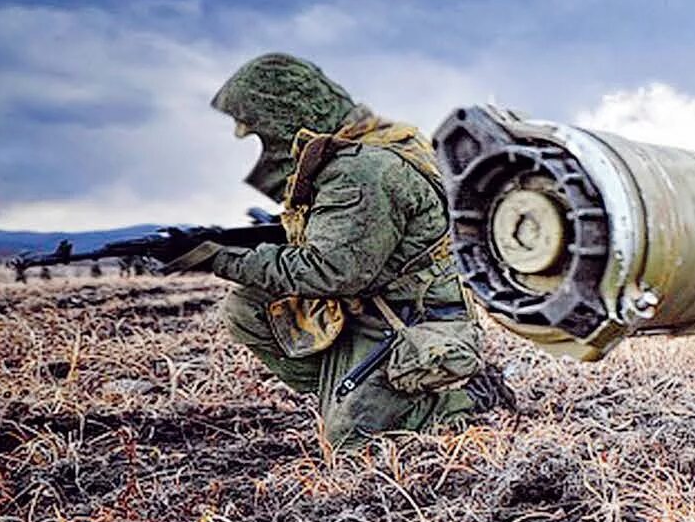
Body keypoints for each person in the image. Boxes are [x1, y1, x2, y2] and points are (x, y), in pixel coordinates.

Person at [173, 53, 508, 448]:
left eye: (255, 125)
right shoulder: (367, 148)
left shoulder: (363, 170)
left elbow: (333, 270)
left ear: (286, 113)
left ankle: (463, 398)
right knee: (250, 307)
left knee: (351, 442)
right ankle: (357, 391)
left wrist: (220, 259)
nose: (244, 137)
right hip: (376, 312)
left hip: (412, 324)